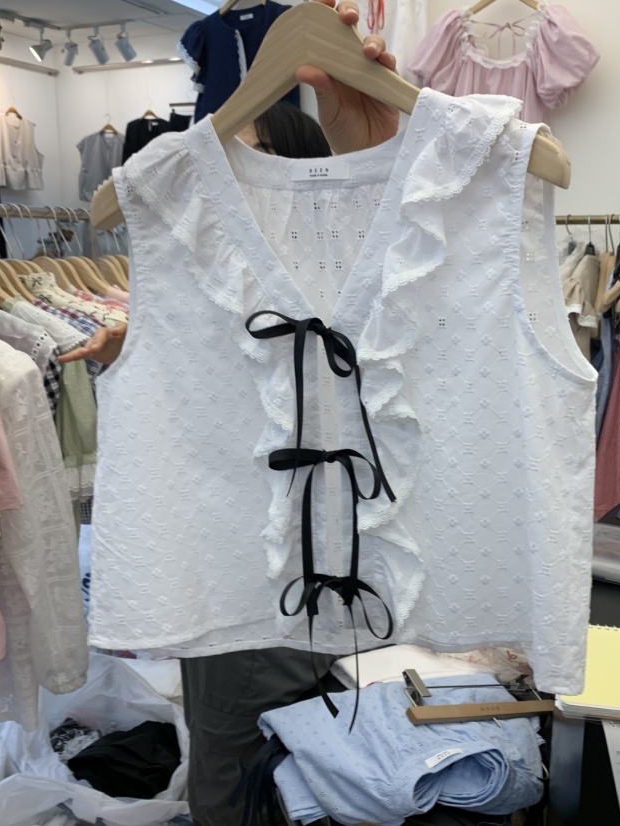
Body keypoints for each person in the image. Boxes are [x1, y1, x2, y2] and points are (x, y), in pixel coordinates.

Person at [60, 3, 403, 823]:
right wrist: (146, 347)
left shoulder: (353, 272)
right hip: (240, 582)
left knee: (281, 765)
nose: (220, 182)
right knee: (246, 760)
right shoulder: (227, 277)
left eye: (247, 160)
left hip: (320, 587)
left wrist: (378, 150)